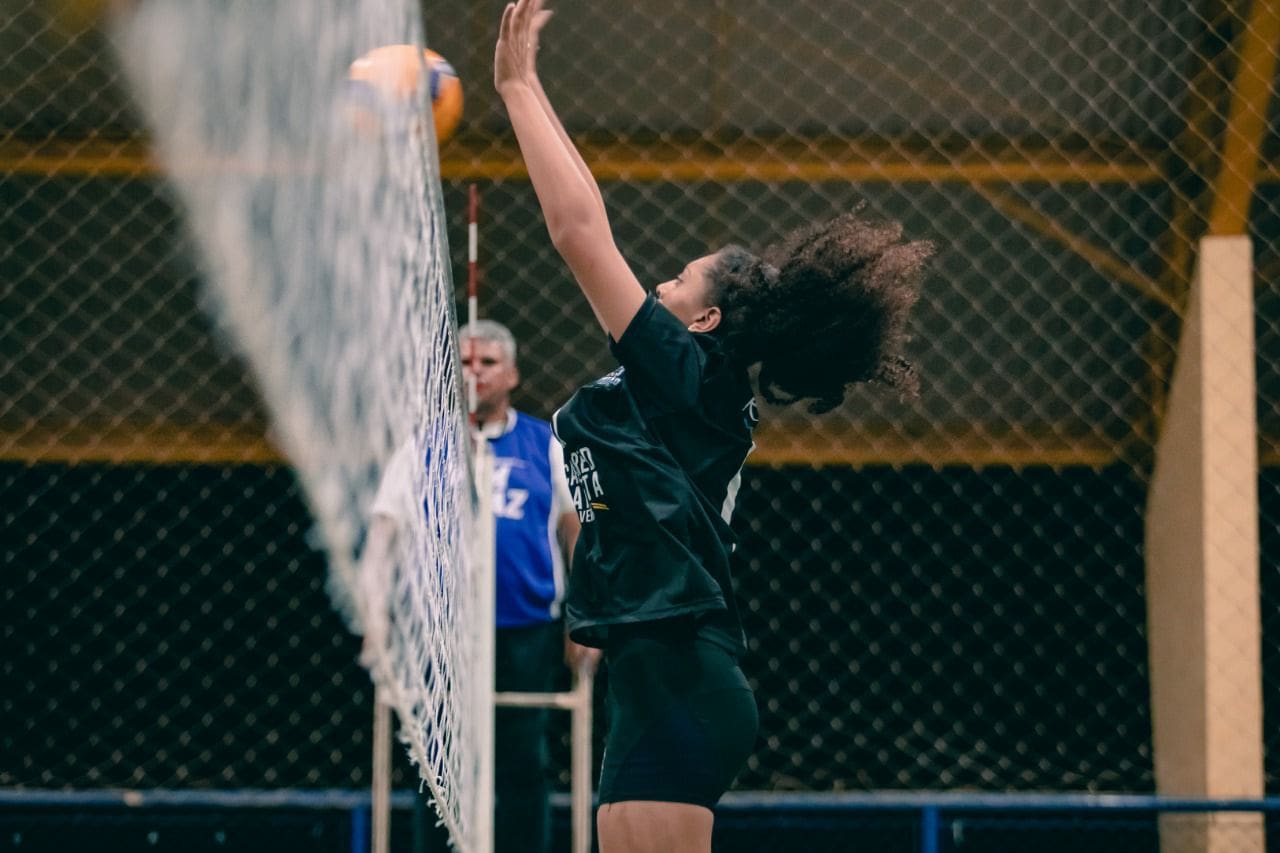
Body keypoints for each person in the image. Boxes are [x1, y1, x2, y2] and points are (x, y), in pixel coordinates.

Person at [493, 2, 934, 851]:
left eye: (679, 280)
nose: (657, 287)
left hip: (683, 680)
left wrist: (518, 86)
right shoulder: (678, 392)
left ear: (706, 319)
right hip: (654, 678)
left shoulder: (690, 377)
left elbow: (580, 229)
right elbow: (616, 508)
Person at [364, 319, 592, 853]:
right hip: (442, 632)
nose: (476, 373)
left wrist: (586, 617)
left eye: (487, 363)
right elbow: (384, 533)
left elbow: (577, 530)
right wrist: (376, 619)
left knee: (523, 763)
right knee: (438, 763)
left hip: (526, 625)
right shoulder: (426, 445)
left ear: (511, 374)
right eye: (466, 362)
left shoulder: (543, 443)